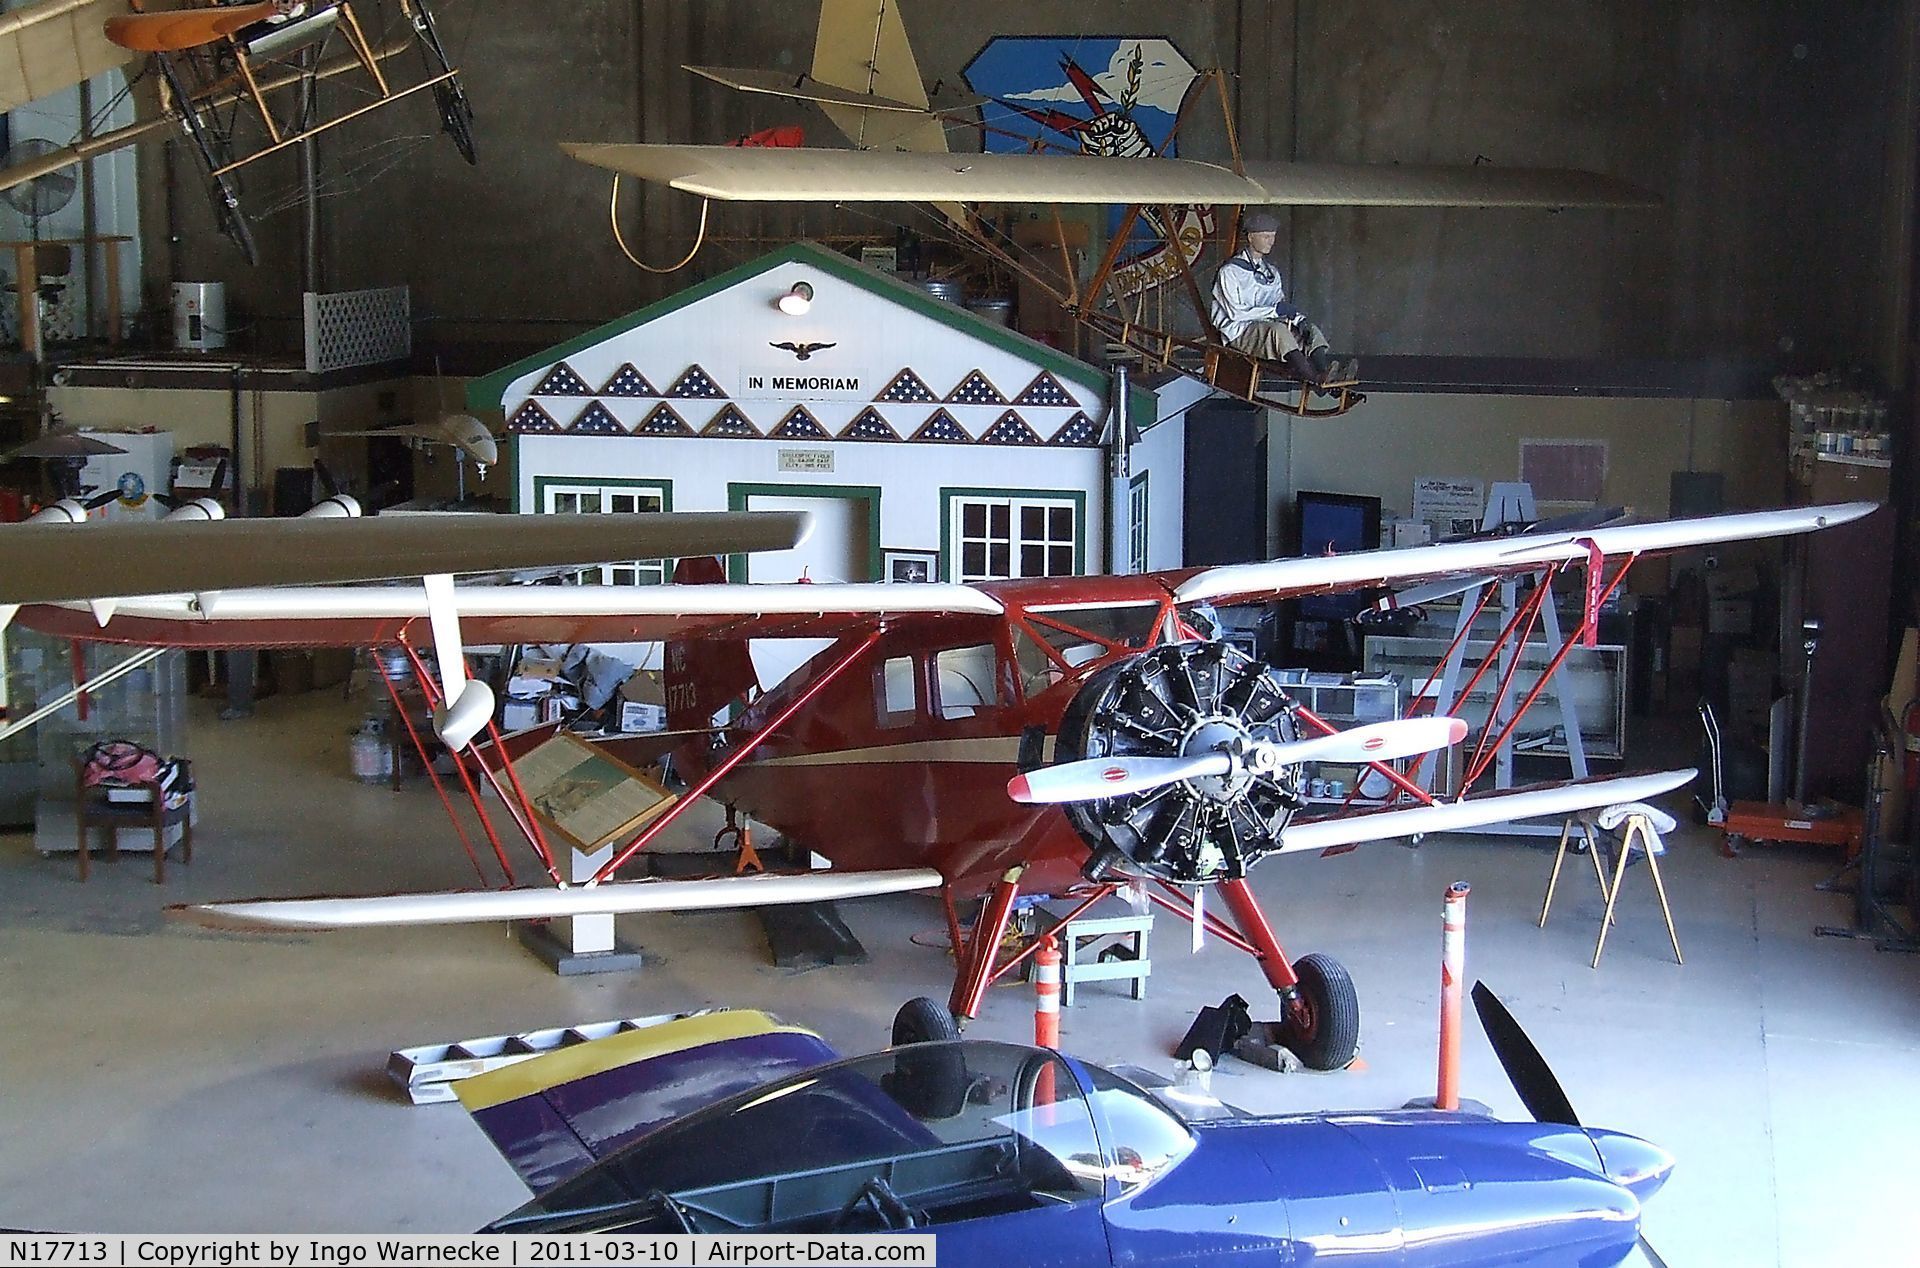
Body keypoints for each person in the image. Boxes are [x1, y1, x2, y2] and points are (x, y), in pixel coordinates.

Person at [1210, 210, 1354, 388]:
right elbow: (1236, 313)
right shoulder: (1230, 272)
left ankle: (1329, 375)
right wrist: (1275, 311)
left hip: (1266, 328)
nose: (1271, 241)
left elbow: (1279, 305)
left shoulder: (1271, 272)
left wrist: (1299, 321)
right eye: (1265, 236)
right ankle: (1316, 381)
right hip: (1239, 332)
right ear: (1250, 237)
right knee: (1279, 331)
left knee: (1310, 331)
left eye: (1273, 236)